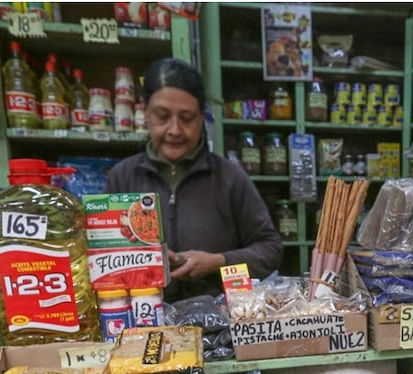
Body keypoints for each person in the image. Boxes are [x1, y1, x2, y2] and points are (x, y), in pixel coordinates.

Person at [105, 58, 283, 302]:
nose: (175, 130)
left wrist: (219, 262)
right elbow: (102, 260)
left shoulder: (230, 178)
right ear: (145, 113)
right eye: (162, 116)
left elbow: (270, 249)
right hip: (143, 319)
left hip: (220, 323)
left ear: (201, 118)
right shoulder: (121, 177)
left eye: (187, 118)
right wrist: (145, 258)